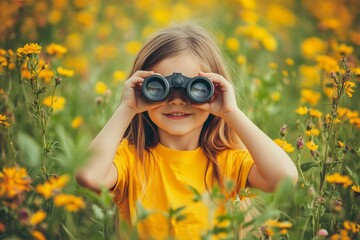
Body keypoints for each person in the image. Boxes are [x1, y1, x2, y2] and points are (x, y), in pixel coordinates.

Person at [76, 23, 298, 239]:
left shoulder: (225, 161)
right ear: (141, 89)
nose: (177, 100)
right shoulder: (131, 159)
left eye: (196, 89)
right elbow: (88, 176)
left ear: (215, 91)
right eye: (158, 88)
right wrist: (127, 108)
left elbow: (283, 178)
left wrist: (231, 112)